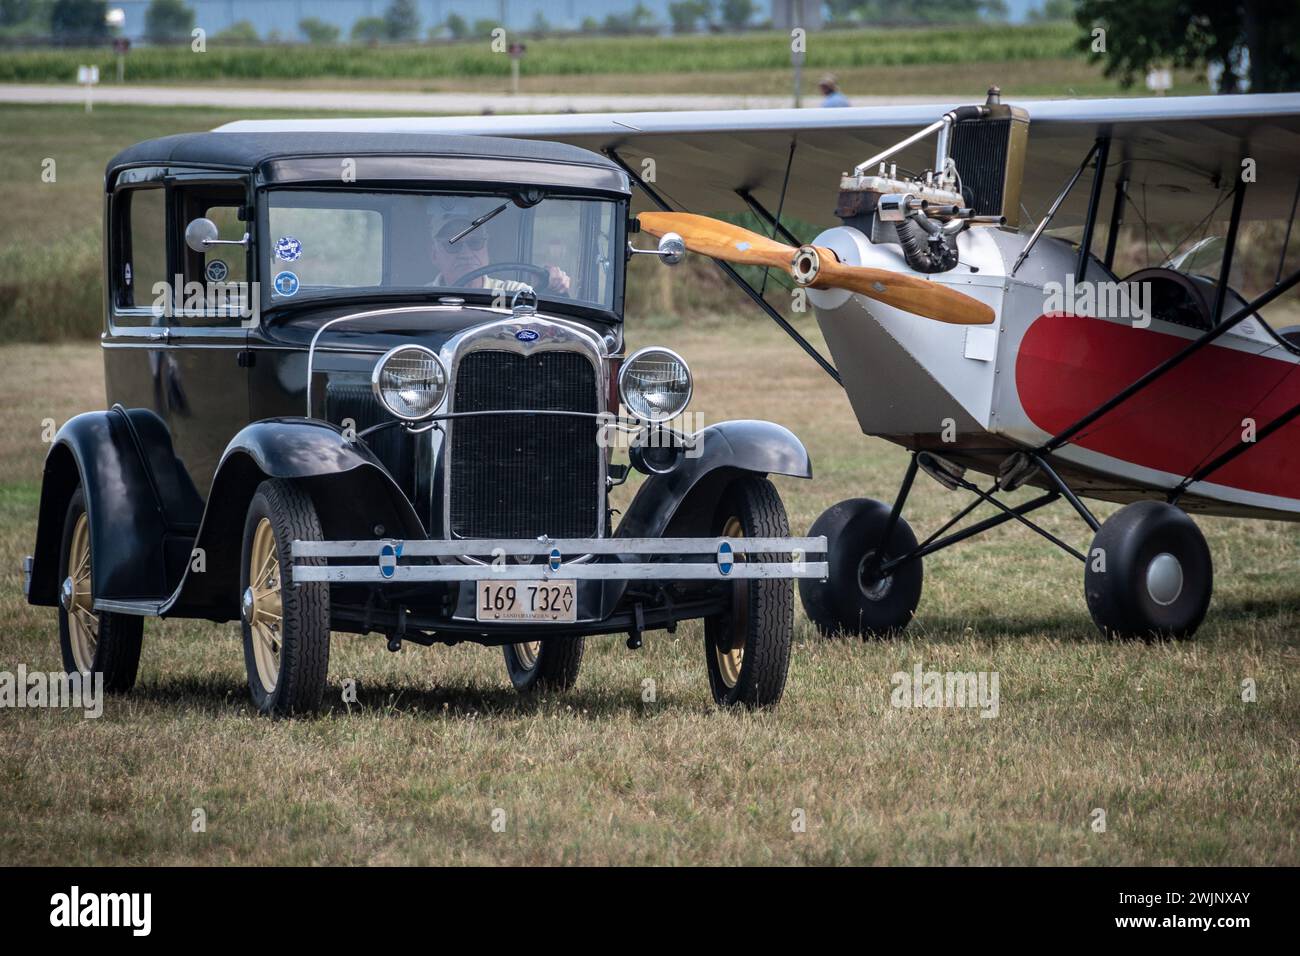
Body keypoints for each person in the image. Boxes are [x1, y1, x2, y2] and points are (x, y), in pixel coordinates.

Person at [429, 211, 571, 296]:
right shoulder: (423, 298)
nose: (466, 253)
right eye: (453, 245)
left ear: (487, 249)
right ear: (435, 255)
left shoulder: (513, 292)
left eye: (475, 242)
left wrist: (553, 283)